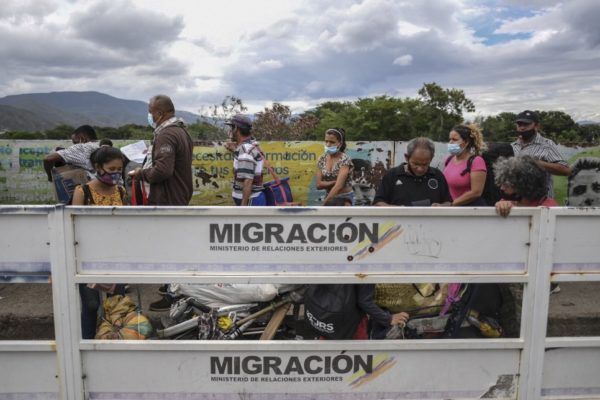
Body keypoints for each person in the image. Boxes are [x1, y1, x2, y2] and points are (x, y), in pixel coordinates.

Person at [72, 146, 127, 338]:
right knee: (91, 305)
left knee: (117, 304)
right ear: (98, 167)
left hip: (115, 257)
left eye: (119, 169)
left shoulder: (120, 191)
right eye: (112, 169)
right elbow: (74, 227)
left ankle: (114, 345)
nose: (116, 174)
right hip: (88, 259)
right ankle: (86, 346)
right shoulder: (82, 192)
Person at [128, 94, 193, 206]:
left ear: (159, 114)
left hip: (167, 199)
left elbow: (162, 171)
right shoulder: (181, 131)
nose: (149, 116)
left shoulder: (166, 135)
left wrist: (140, 174)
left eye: (150, 112)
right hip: (178, 195)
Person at [373, 137, 452, 206]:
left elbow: (448, 202)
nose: (420, 169)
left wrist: (441, 206)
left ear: (431, 158)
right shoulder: (392, 175)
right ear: (407, 157)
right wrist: (396, 209)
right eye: (416, 164)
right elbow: (378, 202)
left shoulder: (437, 175)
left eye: (425, 164)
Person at [511, 110, 571, 198]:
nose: (522, 128)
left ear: (537, 126)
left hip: (541, 203)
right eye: (520, 124)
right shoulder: (512, 146)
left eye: (526, 124)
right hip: (516, 202)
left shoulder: (547, 145)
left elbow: (566, 170)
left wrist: (537, 163)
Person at [494, 155, 559, 218]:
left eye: (507, 185)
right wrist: (501, 206)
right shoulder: (507, 203)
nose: (502, 188)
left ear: (523, 185)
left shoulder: (549, 207)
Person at [225, 114, 266, 206]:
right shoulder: (252, 144)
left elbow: (248, 181)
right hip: (254, 199)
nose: (230, 131)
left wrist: (243, 208)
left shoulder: (245, 151)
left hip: (250, 201)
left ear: (236, 129)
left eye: (231, 127)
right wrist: (235, 150)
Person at [443, 124, 487, 206]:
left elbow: (476, 192)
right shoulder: (449, 159)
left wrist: (452, 204)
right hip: (452, 210)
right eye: (450, 139)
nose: (450, 142)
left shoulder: (476, 161)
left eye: (454, 139)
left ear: (466, 142)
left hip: (470, 211)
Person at [316, 128, 354, 205]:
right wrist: (335, 182)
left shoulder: (345, 159)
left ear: (340, 143)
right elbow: (318, 185)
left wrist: (324, 204)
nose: (328, 144)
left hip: (345, 198)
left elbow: (338, 187)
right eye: (326, 141)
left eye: (332, 142)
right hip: (329, 197)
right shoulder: (321, 159)